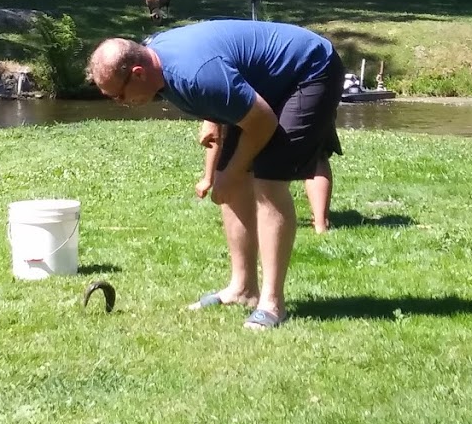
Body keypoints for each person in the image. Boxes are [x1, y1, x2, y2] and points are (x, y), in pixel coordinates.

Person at [86, 20, 344, 329]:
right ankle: (243, 289)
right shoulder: (159, 61)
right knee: (231, 181)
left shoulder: (196, 75)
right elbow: (223, 69)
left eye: (119, 95)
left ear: (138, 73)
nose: (121, 104)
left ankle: (273, 304)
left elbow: (262, 121)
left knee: (269, 182)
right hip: (265, 80)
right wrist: (213, 118)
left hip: (310, 69)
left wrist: (232, 173)